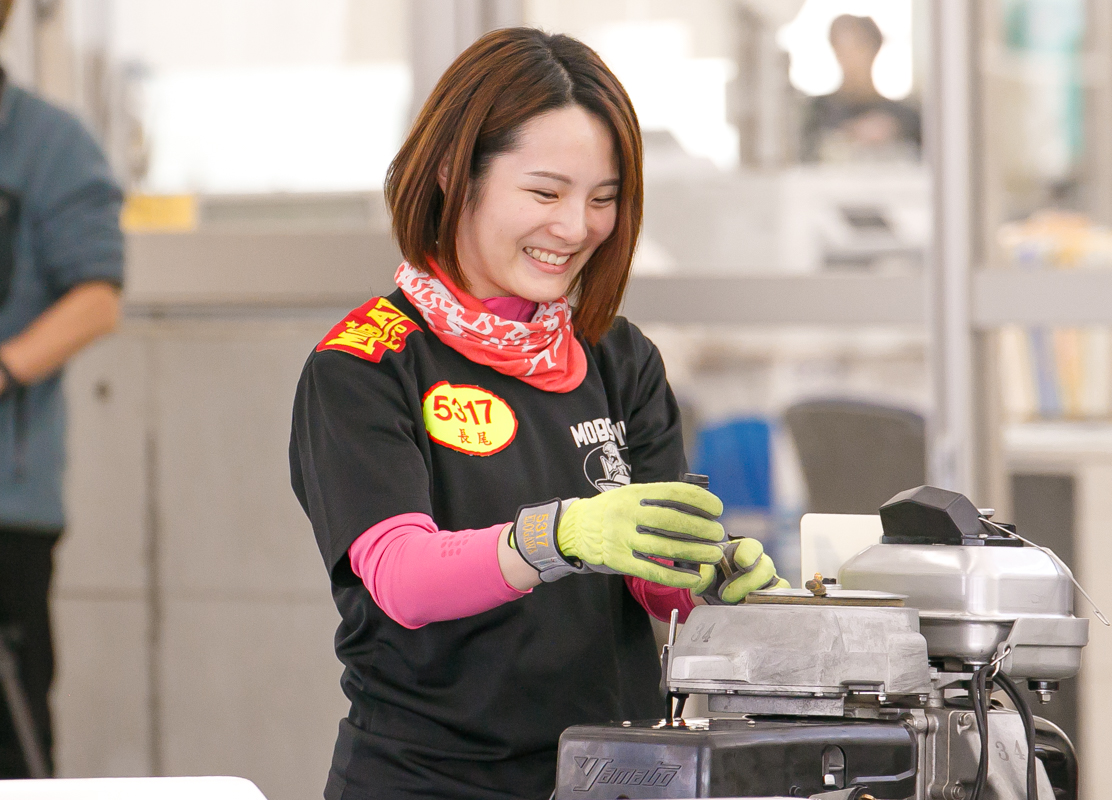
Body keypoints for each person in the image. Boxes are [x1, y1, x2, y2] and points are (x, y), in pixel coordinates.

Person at [290, 28, 788, 800]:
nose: (576, 227)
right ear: (455, 173)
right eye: (546, 194)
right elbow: (402, 578)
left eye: (603, 199)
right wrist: (556, 538)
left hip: (613, 775)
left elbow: (654, 584)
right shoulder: (365, 363)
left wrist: (707, 574)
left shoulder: (619, 356)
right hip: (430, 781)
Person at [0, 0, 124, 778]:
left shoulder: (49, 143)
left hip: (7, 506)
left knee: (11, 745)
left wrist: (6, 365)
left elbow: (97, 299)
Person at [801, 14, 921, 163]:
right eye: (842, 49)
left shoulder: (905, 117)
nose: (850, 58)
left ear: (875, 49)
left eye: (857, 48)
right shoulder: (817, 112)